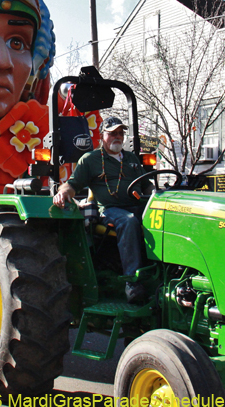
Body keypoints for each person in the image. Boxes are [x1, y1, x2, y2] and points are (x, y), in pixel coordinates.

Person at [53, 117, 151, 304]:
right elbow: (72, 184)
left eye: (121, 133)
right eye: (112, 133)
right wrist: (63, 193)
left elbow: (146, 186)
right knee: (129, 220)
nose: (118, 137)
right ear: (102, 136)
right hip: (111, 210)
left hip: (138, 206)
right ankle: (132, 282)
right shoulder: (91, 160)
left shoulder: (131, 159)